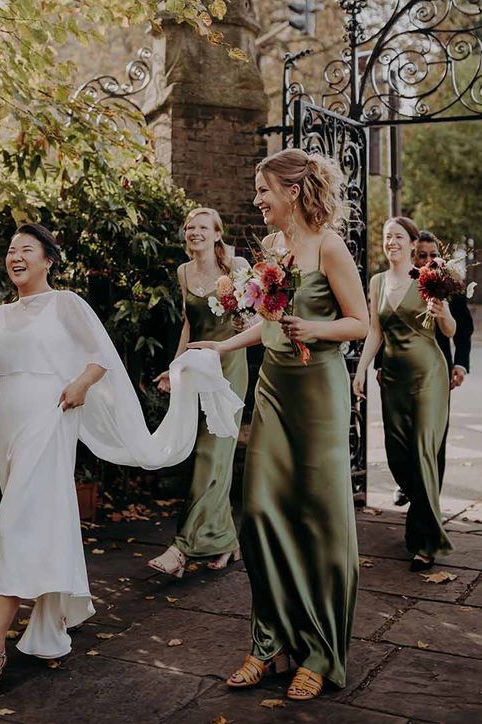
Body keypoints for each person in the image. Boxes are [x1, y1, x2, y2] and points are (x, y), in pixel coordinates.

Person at [0, 223, 244, 689]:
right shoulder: (1, 316)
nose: (16, 257)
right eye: (11, 250)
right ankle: (47, 618)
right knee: (33, 521)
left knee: (14, 523)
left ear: (48, 260)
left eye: (26, 250)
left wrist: (80, 384)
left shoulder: (66, 303)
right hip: (9, 424)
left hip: (51, 419)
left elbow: (101, 356)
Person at [190, 149, 368, 701]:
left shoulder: (330, 246)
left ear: (292, 191)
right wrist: (222, 343)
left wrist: (314, 330)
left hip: (318, 393)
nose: (257, 200)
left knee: (318, 517)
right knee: (261, 511)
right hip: (273, 389)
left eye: (264, 190)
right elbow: (266, 324)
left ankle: (319, 651)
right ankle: (269, 643)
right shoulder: (271, 249)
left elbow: (360, 322)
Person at [148, 207, 248, 578]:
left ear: (217, 233)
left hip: (229, 367)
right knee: (207, 454)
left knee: (213, 451)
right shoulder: (183, 272)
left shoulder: (236, 266)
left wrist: (236, 330)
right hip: (197, 365)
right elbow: (190, 323)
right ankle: (226, 540)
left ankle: (183, 548)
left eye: (203, 227)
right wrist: (175, 368)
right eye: (190, 227)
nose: (195, 232)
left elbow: (251, 320)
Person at [354, 218, 455, 570]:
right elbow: (374, 331)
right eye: (387, 237)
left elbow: (450, 328)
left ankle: (425, 542)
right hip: (393, 378)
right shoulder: (377, 282)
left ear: (413, 244)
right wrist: (361, 369)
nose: (391, 242)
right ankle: (419, 500)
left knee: (423, 450)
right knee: (399, 454)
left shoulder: (429, 278)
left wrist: (442, 314)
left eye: (398, 236)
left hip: (429, 374)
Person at [388, 229, 475, 504]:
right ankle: (408, 483)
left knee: (434, 436)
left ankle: (429, 501)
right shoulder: (400, 284)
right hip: (402, 370)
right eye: (421, 255)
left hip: (439, 370)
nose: (427, 260)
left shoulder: (451, 286)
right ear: (413, 256)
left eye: (433, 255)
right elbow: (386, 325)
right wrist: (380, 364)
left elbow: (463, 332)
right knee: (402, 436)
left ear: (440, 257)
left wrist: (460, 365)